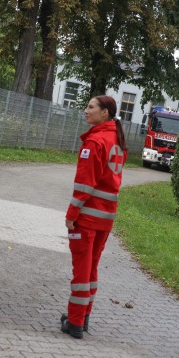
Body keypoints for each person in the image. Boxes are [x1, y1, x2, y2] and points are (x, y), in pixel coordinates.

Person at [61, 95, 129, 339]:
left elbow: (85, 184)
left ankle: (75, 323)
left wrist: (72, 214)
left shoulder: (95, 142)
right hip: (105, 218)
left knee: (81, 271)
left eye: (91, 107)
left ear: (105, 114)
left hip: (88, 218)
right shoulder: (117, 140)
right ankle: (84, 317)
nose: (86, 110)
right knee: (91, 269)